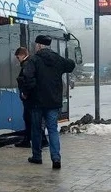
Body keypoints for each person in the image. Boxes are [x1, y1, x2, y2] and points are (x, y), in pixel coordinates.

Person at [20, 34, 76, 169]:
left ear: (39, 45)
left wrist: (26, 93)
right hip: (53, 102)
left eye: (36, 45)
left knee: (36, 129)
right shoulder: (57, 59)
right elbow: (71, 65)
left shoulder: (34, 60)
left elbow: (27, 78)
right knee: (52, 130)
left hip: (36, 102)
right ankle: (56, 158)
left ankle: (37, 156)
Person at [14, 47, 47, 149]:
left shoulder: (27, 64)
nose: (17, 59)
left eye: (18, 57)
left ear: (22, 55)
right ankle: (29, 140)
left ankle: (39, 140)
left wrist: (25, 92)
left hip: (30, 97)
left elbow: (28, 80)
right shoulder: (31, 62)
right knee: (29, 119)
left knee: (31, 119)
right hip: (32, 97)